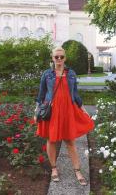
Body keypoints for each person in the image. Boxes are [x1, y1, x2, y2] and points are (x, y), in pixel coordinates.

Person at [34, 47, 95, 186]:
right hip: (53, 111)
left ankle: (77, 170)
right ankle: (54, 168)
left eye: (61, 57)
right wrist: (36, 111)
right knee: (51, 140)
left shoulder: (71, 73)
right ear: (52, 58)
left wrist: (83, 109)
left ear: (65, 58)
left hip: (68, 110)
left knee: (70, 141)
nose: (59, 59)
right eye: (56, 57)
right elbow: (41, 94)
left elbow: (75, 94)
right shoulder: (47, 74)